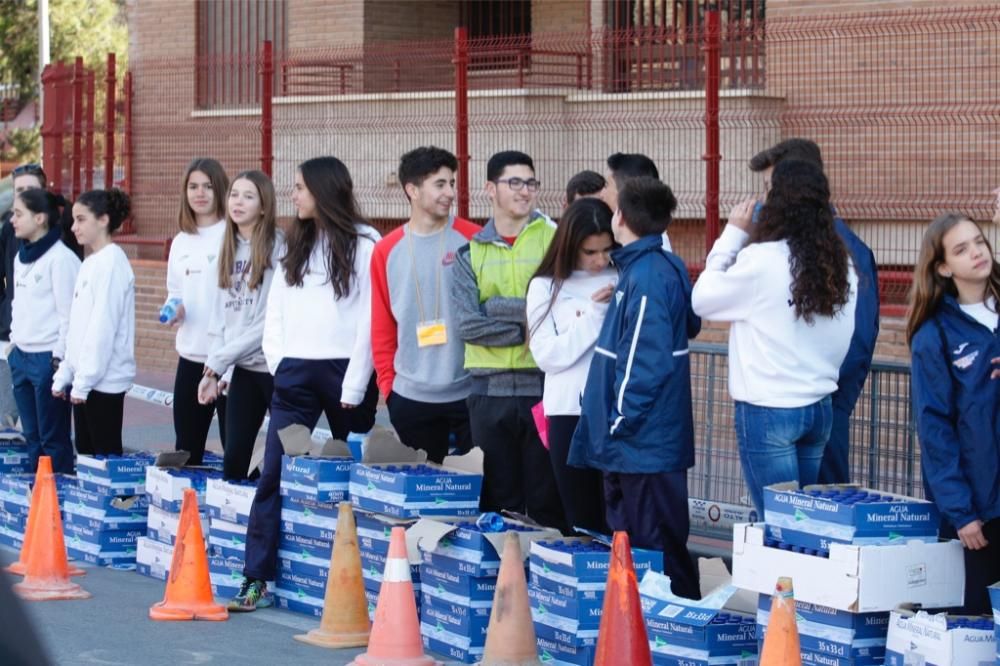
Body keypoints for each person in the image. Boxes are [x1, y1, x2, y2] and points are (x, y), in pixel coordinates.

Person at [230, 156, 379, 611]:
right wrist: (281, 364)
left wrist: (354, 385)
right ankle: (255, 578)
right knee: (272, 473)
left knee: (357, 477)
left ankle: (366, 584)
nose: (292, 195)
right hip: (294, 374)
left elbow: (370, 319)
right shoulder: (295, 240)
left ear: (324, 189)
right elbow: (275, 309)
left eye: (299, 188)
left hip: (345, 375)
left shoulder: (365, 242)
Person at [692, 160, 858, 516]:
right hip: (818, 404)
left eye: (767, 189)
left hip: (770, 408)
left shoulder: (761, 259)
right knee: (804, 522)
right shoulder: (839, 260)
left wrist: (733, 234)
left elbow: (702, 298)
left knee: (781, 524)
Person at [569, 177, 700, 599]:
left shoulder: (647, 274)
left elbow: (645, 360)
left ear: (620, 216)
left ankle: (671, 637)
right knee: (639, 548)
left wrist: (619, 419)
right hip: (637, 445)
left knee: (655, 550)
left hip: (642, 444)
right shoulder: (649, 267)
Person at [748, 139, 879, 484]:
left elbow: (858, 340)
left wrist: (823, 395)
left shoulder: (846, 250)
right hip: (799, 405)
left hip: (821, 409)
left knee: (818, 516)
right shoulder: (777, 245)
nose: (764, 199)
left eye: (770, 188)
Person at [451, 150, 565, 530]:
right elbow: (468, 324)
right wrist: (528, 326)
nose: (525, 191)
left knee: (547, 500)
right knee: (499, 502)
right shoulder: (471, 251)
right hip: (488, 394)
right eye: (514, 182)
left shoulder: (555, 239)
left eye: (530, 182)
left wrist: (495, 307)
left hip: (543, 389)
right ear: (490, 188)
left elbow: (561, 308)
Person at [908, 212, 1000, 615]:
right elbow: (936, 430)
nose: (977, 253)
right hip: (979, 511)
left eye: (980, 242)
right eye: (962, 249)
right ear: (943, 267)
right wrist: (962, 512)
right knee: (975, 624)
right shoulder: (935, 335)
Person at [371, 147, 479, 463]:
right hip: (410, 398)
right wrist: (390, 391)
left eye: (452, 183)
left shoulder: (474, 239)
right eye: (440, 184)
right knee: (424, 496)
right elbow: (382, 328)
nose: (450, 193)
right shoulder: (386, 250)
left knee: (480, 493)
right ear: (413, 190)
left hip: (469, 394)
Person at [526, 197, 616, 534]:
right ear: (569, 245)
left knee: (618, 518)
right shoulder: (545, 286)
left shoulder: (622, 275)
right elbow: (548, 356)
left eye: (606, 250)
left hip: (614, 411)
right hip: (567, 412)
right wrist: (593, 318)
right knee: (581, 519)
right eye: (589, 252)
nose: (599, 260)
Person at [197, 171, 282, 480]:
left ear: (263, 206)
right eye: (234, 194)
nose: (238, 202)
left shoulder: (277, 247)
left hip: (273, 370)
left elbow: (266, 323)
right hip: (241, 371)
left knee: (280, 458)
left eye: (248, 196)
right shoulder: (226, 246)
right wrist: (218, 370)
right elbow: (219, 318)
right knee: (234, 458)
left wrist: (219, 363)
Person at [52, 189, 136, 457]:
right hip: (86, 379)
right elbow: (80, 325)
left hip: (104, 381)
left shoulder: (112, 263)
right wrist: (67, 370)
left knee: (104, 457)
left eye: (81, 219)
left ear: (103, 220)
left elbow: (102, 327)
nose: (74, 227)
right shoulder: (91, 261)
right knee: (87, 453)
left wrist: (83, 380)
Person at [7, 189, 81, 473]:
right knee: (32, 437)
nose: (13, 220)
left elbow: (69, 317)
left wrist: (58, 360)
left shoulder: (61, 260)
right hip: (22, 357)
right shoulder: (20, 257)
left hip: (47, 359)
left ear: (39, 218)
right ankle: (37, 499)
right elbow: (19, 304)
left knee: (53, 439)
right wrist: (14, 344)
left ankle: (56, 501)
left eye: (18, 214)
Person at [165, 157, 229, 464]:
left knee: (236, 453)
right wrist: (174, 309)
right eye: (193, 186)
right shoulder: (180, 241)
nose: (200, 193)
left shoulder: (234, 235)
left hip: (230, 360)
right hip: (190, 357)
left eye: (207, 186)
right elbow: (175, 292)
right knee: (186, 452)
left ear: (220, 190)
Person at [602, 152, 673, 253]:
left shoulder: (650, 253)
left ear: (624, 192)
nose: (601, 193)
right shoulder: (642, 241)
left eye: (607, 185)